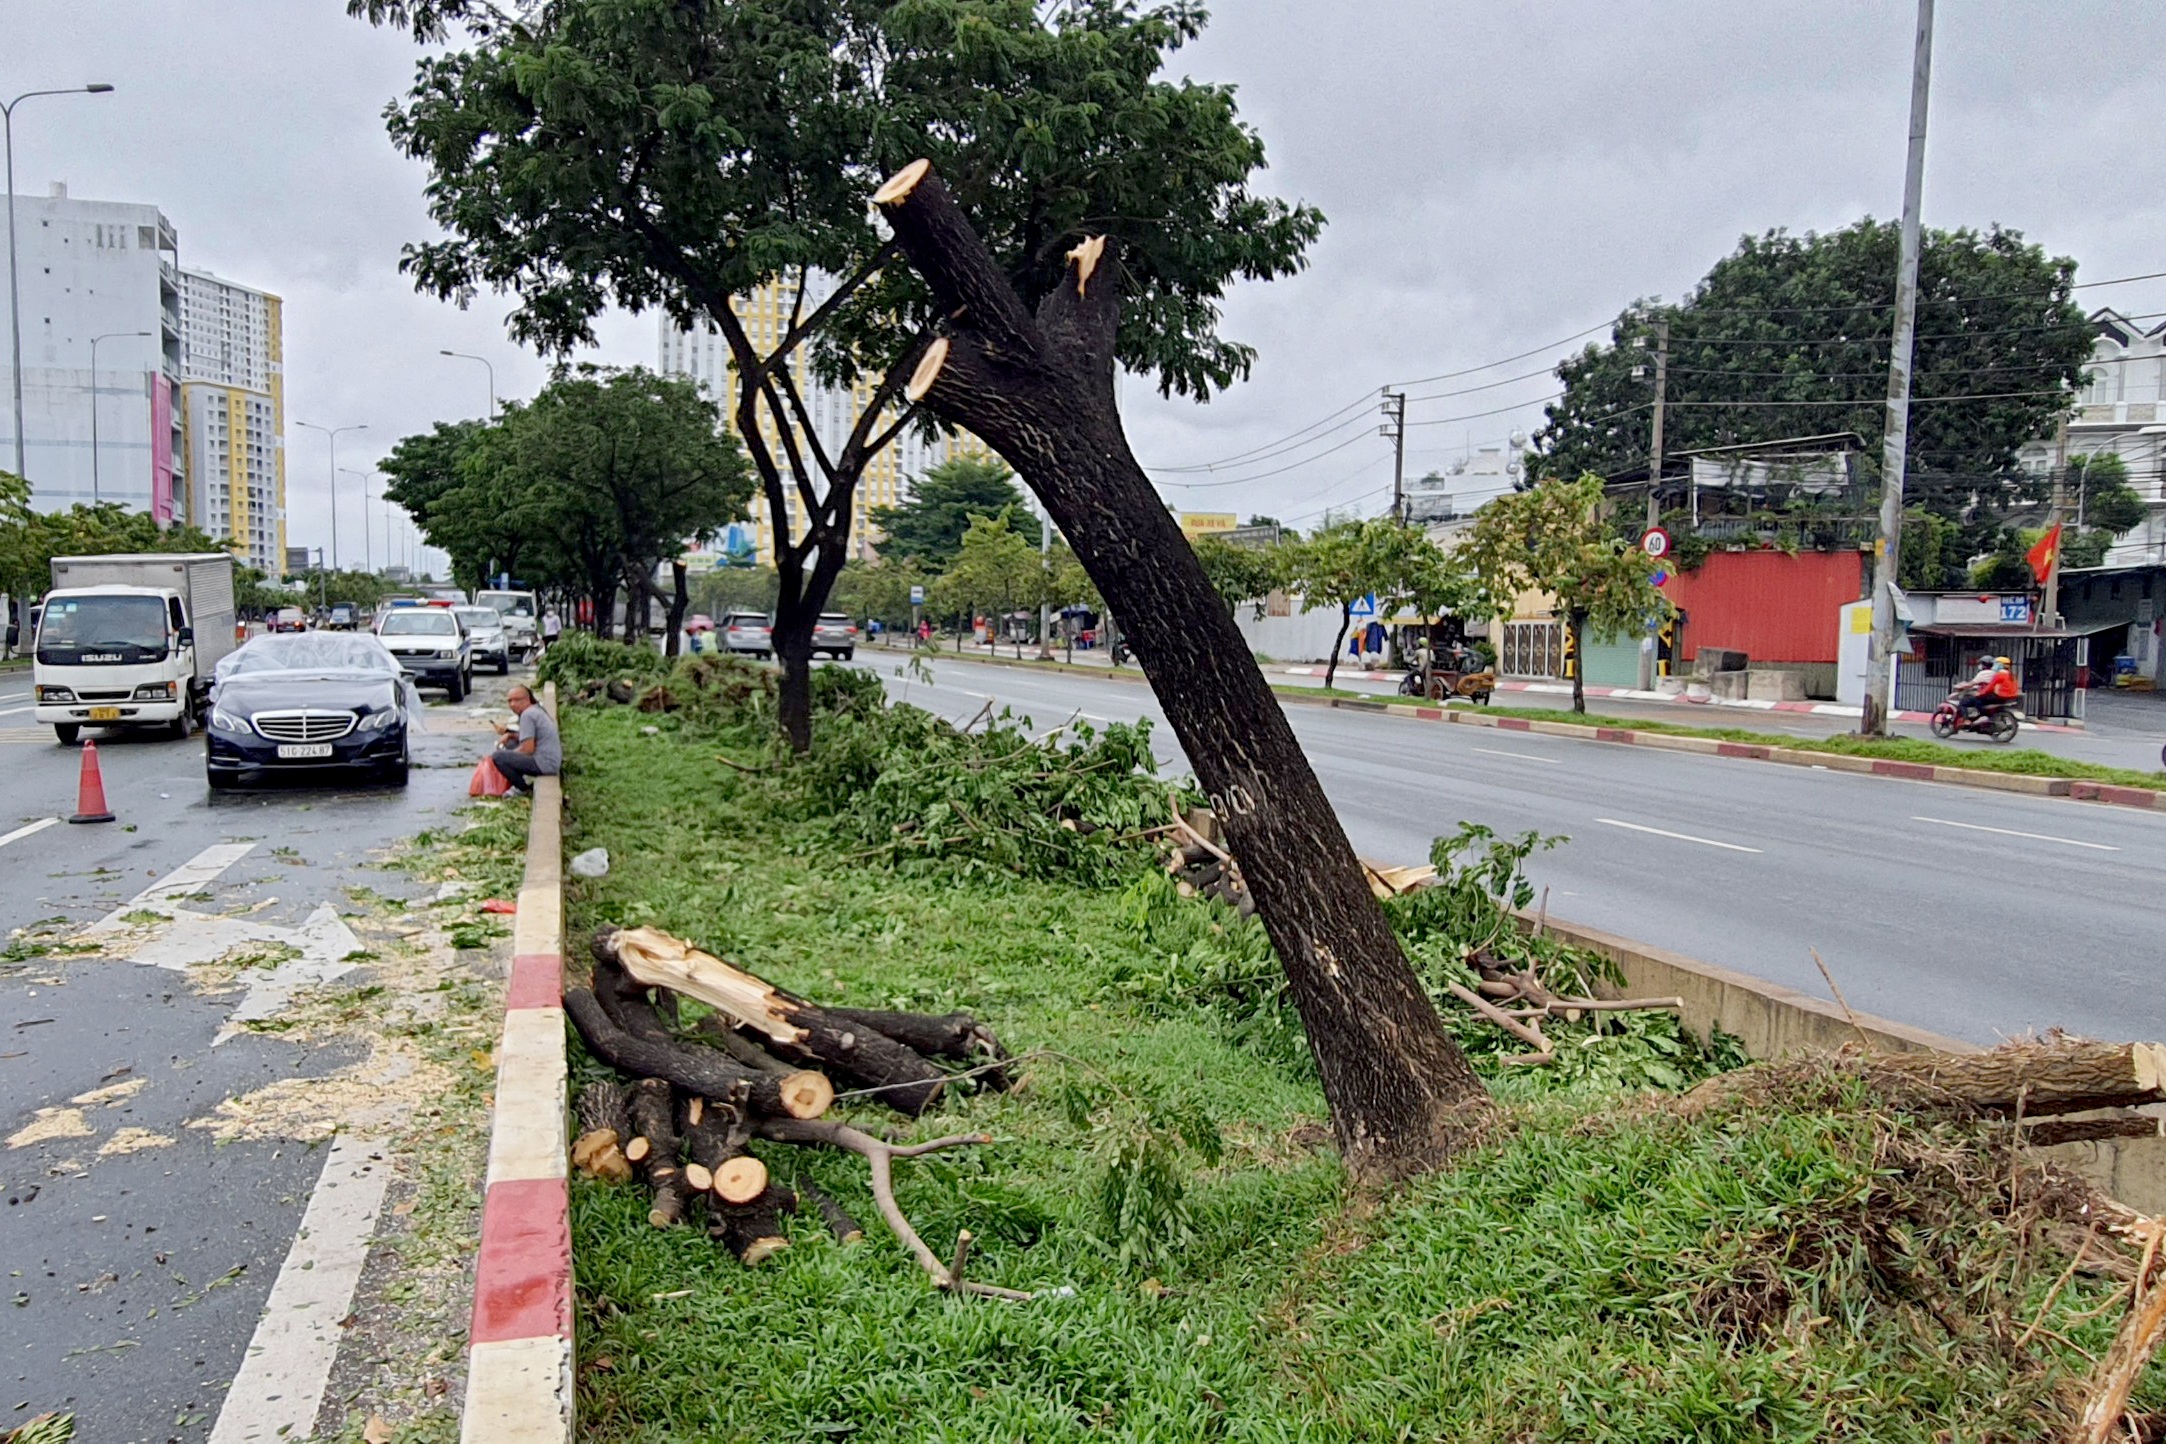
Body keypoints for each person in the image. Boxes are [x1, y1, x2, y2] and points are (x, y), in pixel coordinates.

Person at [491, 684, 562, 793]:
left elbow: (527, 749)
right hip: (551, 761)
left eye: (517, 700)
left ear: (527, 699)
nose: (513, 704)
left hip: (544, 764)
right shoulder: (536, 710)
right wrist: (509, 734)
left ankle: (523, 789)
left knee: (498, 757)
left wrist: (509, 756)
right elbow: (529, 737)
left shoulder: (527, 715)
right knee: (510, 743)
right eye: (510, 701)